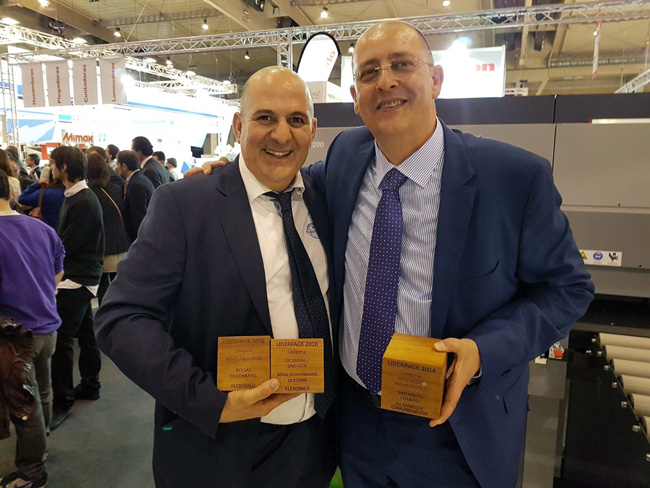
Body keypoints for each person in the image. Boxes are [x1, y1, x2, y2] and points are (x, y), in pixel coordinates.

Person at [199, 21, 595, 488]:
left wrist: (483, 350)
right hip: (357, 423)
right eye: (369, 72)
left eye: (402, 65)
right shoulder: (346, 156)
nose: (385, 81)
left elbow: (567, 288)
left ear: (435, 79)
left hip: (456, 427)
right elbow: (288, 178)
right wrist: (230, 175)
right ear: (356, 97)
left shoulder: (513, 178)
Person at [95, 66, 336, 488]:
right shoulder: (185, 204)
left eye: (296, 120)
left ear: (312, 130)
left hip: (316, 443)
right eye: (265, 117)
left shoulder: (324, 199)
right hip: (221, 447)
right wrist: (211, 400)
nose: (282, 134)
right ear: (239, 126)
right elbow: (121, 318)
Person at [0, 169, 65, 488]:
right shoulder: (41, 228)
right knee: (42, 389)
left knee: (25, 406)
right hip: (47, 324)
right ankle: (41, 449)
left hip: (15, 335)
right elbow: (58, 271)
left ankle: (31, 472)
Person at [49, 146, 104, 430]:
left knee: (62, 340)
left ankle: (63, 401)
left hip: (78, 278)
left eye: (53, 163)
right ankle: (90, 385)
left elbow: (67, 244)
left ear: (64, 167)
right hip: (80, 276)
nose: (50, 168)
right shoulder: (76, 196)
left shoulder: (83, 200)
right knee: (85, 334)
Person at [86, 153, 130, 307]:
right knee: (120, 284)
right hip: (120, 241)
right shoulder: (117, 188)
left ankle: (105, 314)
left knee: (103, 284)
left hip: (102, 243)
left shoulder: (88, 193)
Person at [115, 150, 154, 243]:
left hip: (137, 238)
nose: (116, 168)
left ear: (124, 166)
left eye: (117, 164)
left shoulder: (136, 185)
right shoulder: (139, 178)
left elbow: (138, 216)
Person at [18, 164, 65, 230]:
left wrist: (37, 184)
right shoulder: (71, 193)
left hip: (46, 230)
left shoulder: (45, 193)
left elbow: (22, 198)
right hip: (64, 231)